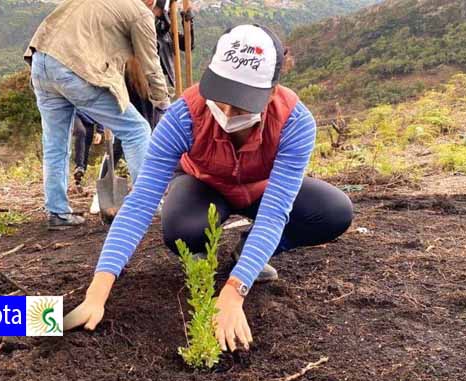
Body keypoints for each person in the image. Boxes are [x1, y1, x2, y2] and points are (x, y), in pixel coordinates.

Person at [64, 25, 353, 352]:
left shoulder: (294, 122)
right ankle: (203, 254)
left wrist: (233, 293)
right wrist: (96, 294)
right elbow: (140, 203)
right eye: (221, 97)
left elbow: (274, 214)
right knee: (181, 229)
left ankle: (247, 254)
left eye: (242, 105)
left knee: (333, 213)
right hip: (204, 185)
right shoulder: (182, 116)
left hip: (262, 190)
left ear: (271, 92)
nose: (227, 113)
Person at [24, 0, 170, 230]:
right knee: (136, 130)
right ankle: (149, 204)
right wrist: (163, 102)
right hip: (73, 68)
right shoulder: (141, 13)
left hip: (40, 61)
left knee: (55, 143)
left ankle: (57, 213)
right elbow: (150, 64)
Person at [90, 1, 196, 214]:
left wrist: (187, 20)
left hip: (161, 83)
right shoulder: (135, 15)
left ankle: (159, 189)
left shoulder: (167, 19)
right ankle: (105, 186)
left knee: (159, 136)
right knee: (126, 134)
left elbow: (185, 45)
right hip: (135, 81)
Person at [72, 111, 104, 187]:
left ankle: (79, 180)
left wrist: (99, 131)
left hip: (89, 119)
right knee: (81, 132)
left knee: (86, 147)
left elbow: (99, 108)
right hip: (73, 113)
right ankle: (79, 166)